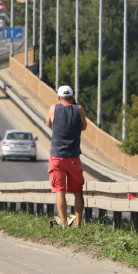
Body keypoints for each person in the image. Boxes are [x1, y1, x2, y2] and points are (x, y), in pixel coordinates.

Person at [46, 85, 87, 228]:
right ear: (73, 97)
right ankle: (79, 223)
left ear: (59, 97)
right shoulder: (79, 109)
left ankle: (63, 225)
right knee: (77, 191)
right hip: (74, 156)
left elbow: (48, 123)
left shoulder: (53, 109)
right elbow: (84, 126)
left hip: (57, 157)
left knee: (60, 191)